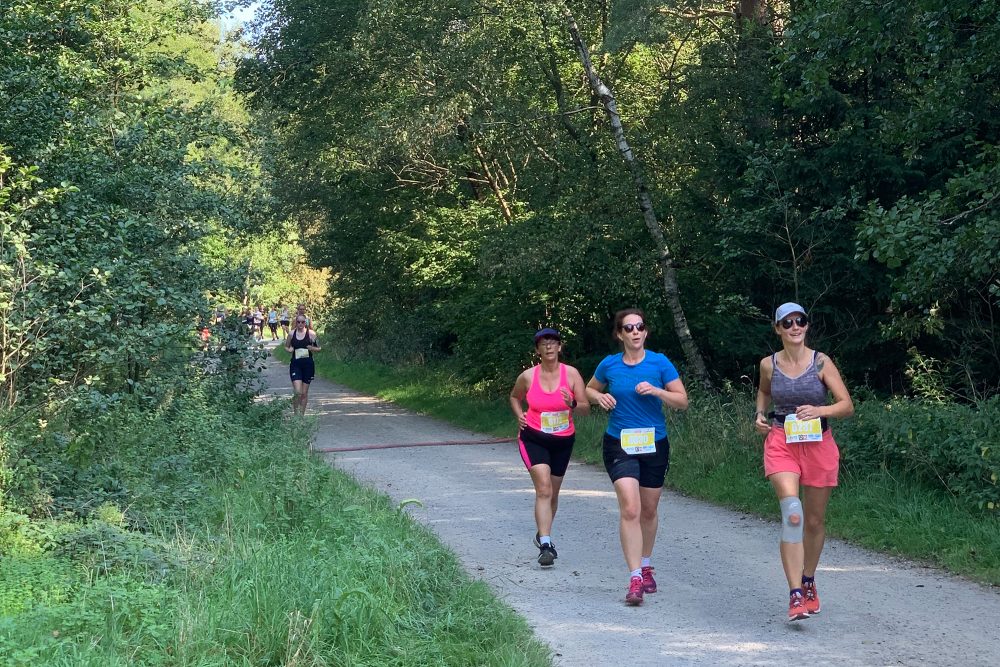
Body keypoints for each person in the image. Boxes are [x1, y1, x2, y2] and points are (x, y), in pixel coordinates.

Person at [754, 302, 854, 622]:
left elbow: (846, 405)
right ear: (778, 329)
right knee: (793, 514)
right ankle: (795, 593)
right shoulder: (768, 364)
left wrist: (819, 411)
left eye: (801, 321)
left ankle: (809, 578)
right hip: (782, 441)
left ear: (807, 326)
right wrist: (759, 413)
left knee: (813, 520)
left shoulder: (821, 361)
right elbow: (763, 391)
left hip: (819, 444)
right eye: (788, 322)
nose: (795, 326)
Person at [586, 308, 688, 606]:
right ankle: (633, 577)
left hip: (654, 443)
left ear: (645, 332)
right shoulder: (610, 364)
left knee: (648, 510)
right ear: (619, 334)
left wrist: (657, 391)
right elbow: (590, 389)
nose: (634, 332)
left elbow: (682, 401)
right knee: (630, 508)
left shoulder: (660, 362)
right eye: (628, 328)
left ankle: (645, 564)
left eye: (639, 327)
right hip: (619, 443)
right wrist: (599, 397)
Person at [509, 328, 589, 567]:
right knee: (543, 489)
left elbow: (585, 408)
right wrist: (518, 415)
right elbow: (514, 397)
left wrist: (572, 403)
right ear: (538, 350)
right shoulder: (528, 376)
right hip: (533, 437)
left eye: (553, 342)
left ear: (560, 347)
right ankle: (546, 543)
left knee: (552, 492)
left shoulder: (572, 374)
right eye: (544, 343)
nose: (549, 347)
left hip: (563, 441)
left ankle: (543, 532)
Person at [285, 314, 321, 416]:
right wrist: (290, 350)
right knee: (298, 392)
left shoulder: (311, 334)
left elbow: (319, 348)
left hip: (308, 365)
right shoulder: (292, 334)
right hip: (296, 365)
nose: (300, 324)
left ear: (306, 323)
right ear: (295, 323)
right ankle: (296, 415)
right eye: (298, 322)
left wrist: (312, 348)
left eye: (302, 322)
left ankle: (301, 416)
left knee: (304, 393)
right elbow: (286, 347)